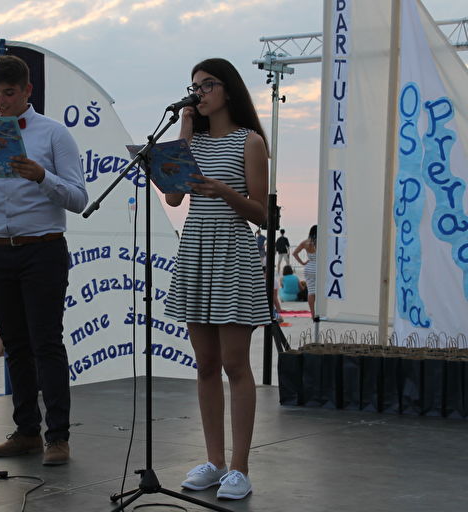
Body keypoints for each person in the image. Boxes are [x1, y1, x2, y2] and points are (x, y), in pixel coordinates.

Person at [0, 55, 87, 466]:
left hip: (42, 249)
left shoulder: (54, 134)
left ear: (27, 91)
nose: (0, 102)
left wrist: (41, 176)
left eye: (9, 93)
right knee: (14, 345)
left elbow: (80, 199)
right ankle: (27, 431)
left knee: (46, 342)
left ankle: (58, 437)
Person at [163, 58, 270, 500]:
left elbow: (262, 214)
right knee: (205, 364)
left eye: (208, 85)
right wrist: (185, 132)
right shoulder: (194, 141)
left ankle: (240, 468)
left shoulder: (250, 141)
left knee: (235, 364)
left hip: (232, 251)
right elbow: (173, 196)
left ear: (228, 90)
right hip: (196, 249)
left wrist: (225, 191)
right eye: (194, 86)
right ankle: (214, 461)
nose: (199, 93)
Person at [293, 225, 318, 319]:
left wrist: (302, 263)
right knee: (320, 291)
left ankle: (313, 314)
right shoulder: (321, 241)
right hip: (318, 267)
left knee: (311, 292)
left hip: (309, 267)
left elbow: (294, 253)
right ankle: (320, 312)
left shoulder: (305, 242)